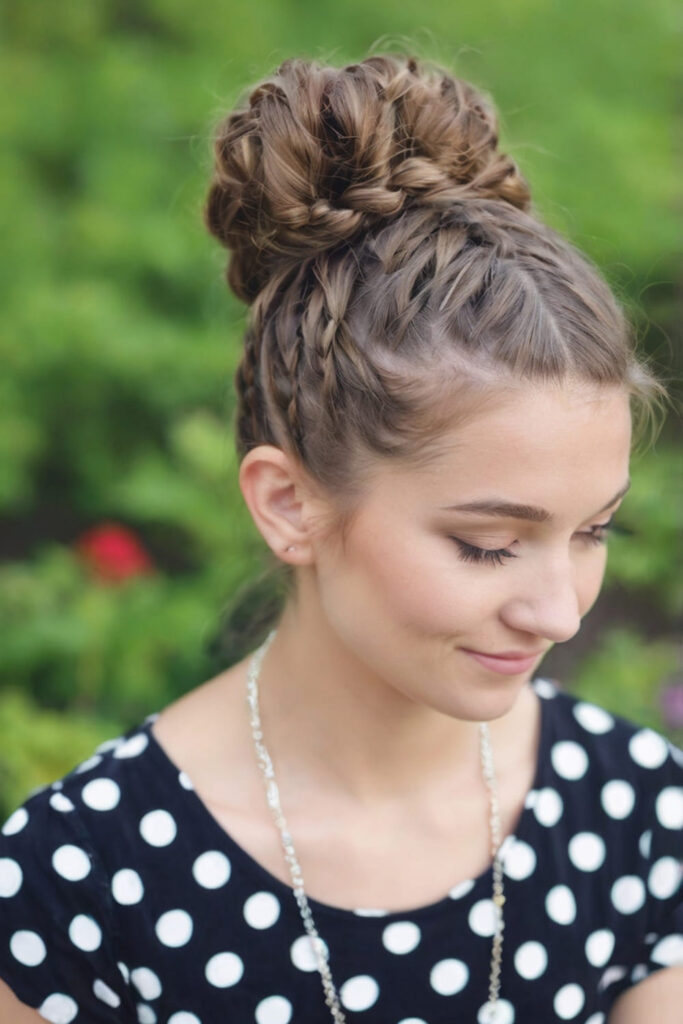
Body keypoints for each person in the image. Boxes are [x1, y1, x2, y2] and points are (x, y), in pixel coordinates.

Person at [0, 52, 681, 1024]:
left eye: (592, 531)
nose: (559, 613)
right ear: (288, 504)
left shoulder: (635, 814)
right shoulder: (83, 884)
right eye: (486, 542)